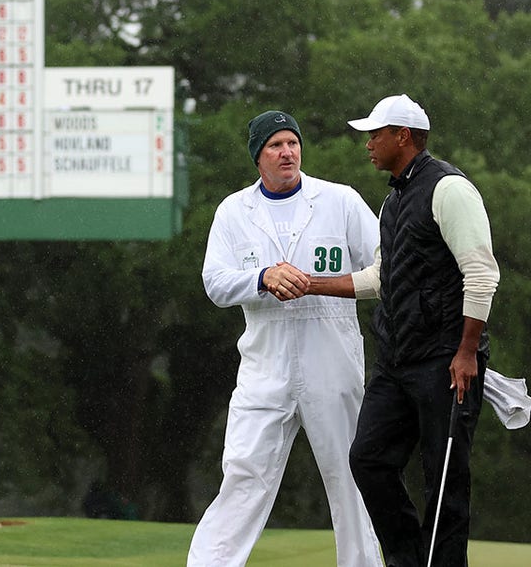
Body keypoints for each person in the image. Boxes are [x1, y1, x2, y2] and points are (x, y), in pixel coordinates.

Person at [299, 94, 500, 567]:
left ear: (402, 137)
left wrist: (467, 351)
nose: (368, 144)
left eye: (375, 134)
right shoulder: (394, 199)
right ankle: (409, 560)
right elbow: (379, 278)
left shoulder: (449, 189)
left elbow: (482, 273)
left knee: (444, 479)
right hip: (396, 363)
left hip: (447, 361)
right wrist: (312, 284)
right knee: (368, 459)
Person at [189, 110, 383, 566]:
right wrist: (262, 277)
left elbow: (385, 266)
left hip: (332, 359)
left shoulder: (340, 200)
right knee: (243, 474)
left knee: (351, 476)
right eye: (275, 145)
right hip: (264, 365)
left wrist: (322, 283)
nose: (287, 152)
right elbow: (215, 282)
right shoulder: (234, 211)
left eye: (292, 143)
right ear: (258, 156)